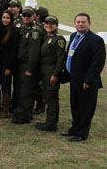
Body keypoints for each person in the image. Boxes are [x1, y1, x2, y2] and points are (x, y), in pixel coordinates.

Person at [62, 13, 105, 142]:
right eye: (78, 22)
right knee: (75, 105)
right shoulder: (74, 36)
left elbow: (97, 63)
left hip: (86, 81)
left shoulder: (96, 40)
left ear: (89, 24)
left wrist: (88, 80)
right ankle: (74, 129)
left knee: (85, 107)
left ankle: (81, 134)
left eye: (83, 22)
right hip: (74, 79)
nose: (80, 24)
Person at [12, 7, 45, 124]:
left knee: (27, 91)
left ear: (34, 17)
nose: (26, 18)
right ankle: (22, 112)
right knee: (20, 90)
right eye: (24, 15)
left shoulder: (35, 32)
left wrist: (30, 68)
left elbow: (33, 52)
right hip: (20, 64)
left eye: (29, 16)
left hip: (27, 65)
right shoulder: (22, 29)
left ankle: (24, 115)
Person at [34, 15, 66, 131]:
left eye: (51, 24)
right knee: (47, 97)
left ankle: (51, 124)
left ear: (56, 26)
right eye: (46, 23)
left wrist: (55, 74)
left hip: (51, 71)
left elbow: (60, 59)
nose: (48, 25)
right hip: (44, 70)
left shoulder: (59, 40)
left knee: (51, 98)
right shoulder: (47, 37)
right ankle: (49, 121)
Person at [0, 10, 19, 119]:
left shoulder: (13, 31)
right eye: (3, 17)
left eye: (7, 18)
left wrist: (9, 67)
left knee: (6, 86)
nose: (5, 20)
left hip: (7, 63)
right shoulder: (0, 29)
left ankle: (5, 109)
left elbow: (14, 51)